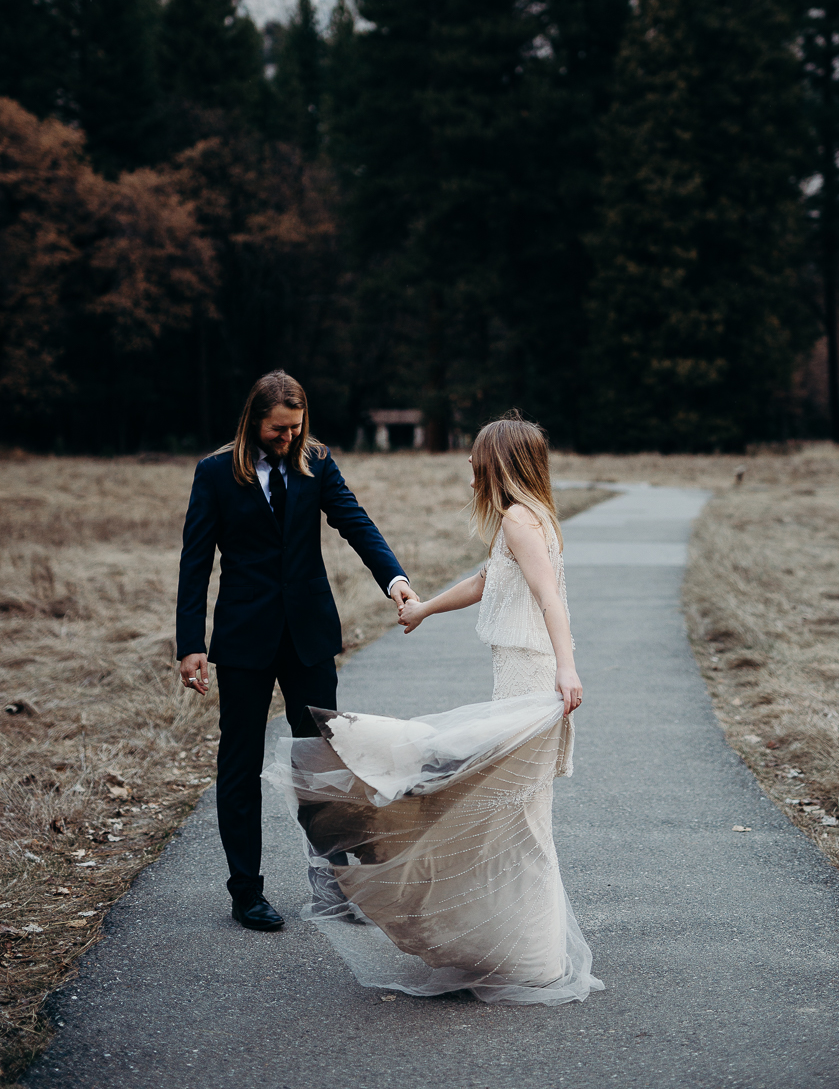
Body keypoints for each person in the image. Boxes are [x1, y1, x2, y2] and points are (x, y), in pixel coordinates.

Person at [267, 413, 603, 1004]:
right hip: (521, 675)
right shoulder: (523, 520)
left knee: (514, 817)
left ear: (499, 463)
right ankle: (524, 950)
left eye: (477, 458)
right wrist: (423, 610)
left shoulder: (521, 520)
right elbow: (485, 580)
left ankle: (532, 954)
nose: (470, 467)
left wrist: (566, 668)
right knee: (509, 815)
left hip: (530, 678)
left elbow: (550, 599)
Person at [176, 369, 418, 932]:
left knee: (322, 765)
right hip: (242, 640)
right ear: (253, 422)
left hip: (307, 636)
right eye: (278, 429)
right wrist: (191, 644)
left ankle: (336, 886)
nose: (288, 438)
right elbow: (195, 562)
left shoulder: (316, 460)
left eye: (296, 427)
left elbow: (354, 521)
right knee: (238, 764)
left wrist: (395, 580)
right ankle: (246, 893)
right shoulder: (214, 474)